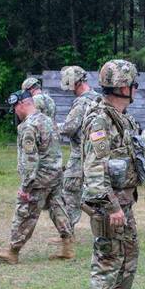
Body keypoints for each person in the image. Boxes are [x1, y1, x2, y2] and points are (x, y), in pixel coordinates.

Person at [82, 60, 145, 289]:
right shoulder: (99, 119)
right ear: (123, 87)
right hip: (108, 205)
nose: (135, 90)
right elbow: (95, 167)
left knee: (130, 253)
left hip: (124, 202)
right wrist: (111, 207)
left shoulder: (124, 117)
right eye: (133, 85)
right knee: (108, 256)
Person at [0, 89, 74, 263]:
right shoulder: (48, 121)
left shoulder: (29, 126)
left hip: (39, 179)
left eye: (15, 107)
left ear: (23, 104)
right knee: (58, 208)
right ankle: (68, 247)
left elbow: (30, 158)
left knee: (25, 212)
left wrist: (26, 186)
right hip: (55, 174)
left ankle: (13, 252)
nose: (14, 112)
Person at [59, 65, 98, 229]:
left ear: (74, 83)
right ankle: (102, 218)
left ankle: (67, 233)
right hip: (96, 153)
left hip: (80, 155)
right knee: (93, 191)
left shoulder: (82, 102)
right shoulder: (98, 98)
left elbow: (69, 128)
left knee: (69, 191)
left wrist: (51, 127)